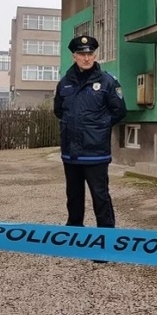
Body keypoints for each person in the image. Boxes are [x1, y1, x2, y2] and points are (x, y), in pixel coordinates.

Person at [54, 35, 127, 239]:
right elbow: (59, 110)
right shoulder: (64, 83)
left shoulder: (107, 82)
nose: (86, 58)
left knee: (100, 196)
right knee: (73, 196)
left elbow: (119, 111)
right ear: (74, 56)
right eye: (81, 54)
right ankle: (74, 233)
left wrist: (99, 127)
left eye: (90, 54)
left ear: (95, 56)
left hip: (96, 152)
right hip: (71, 152)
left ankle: (106, 237)